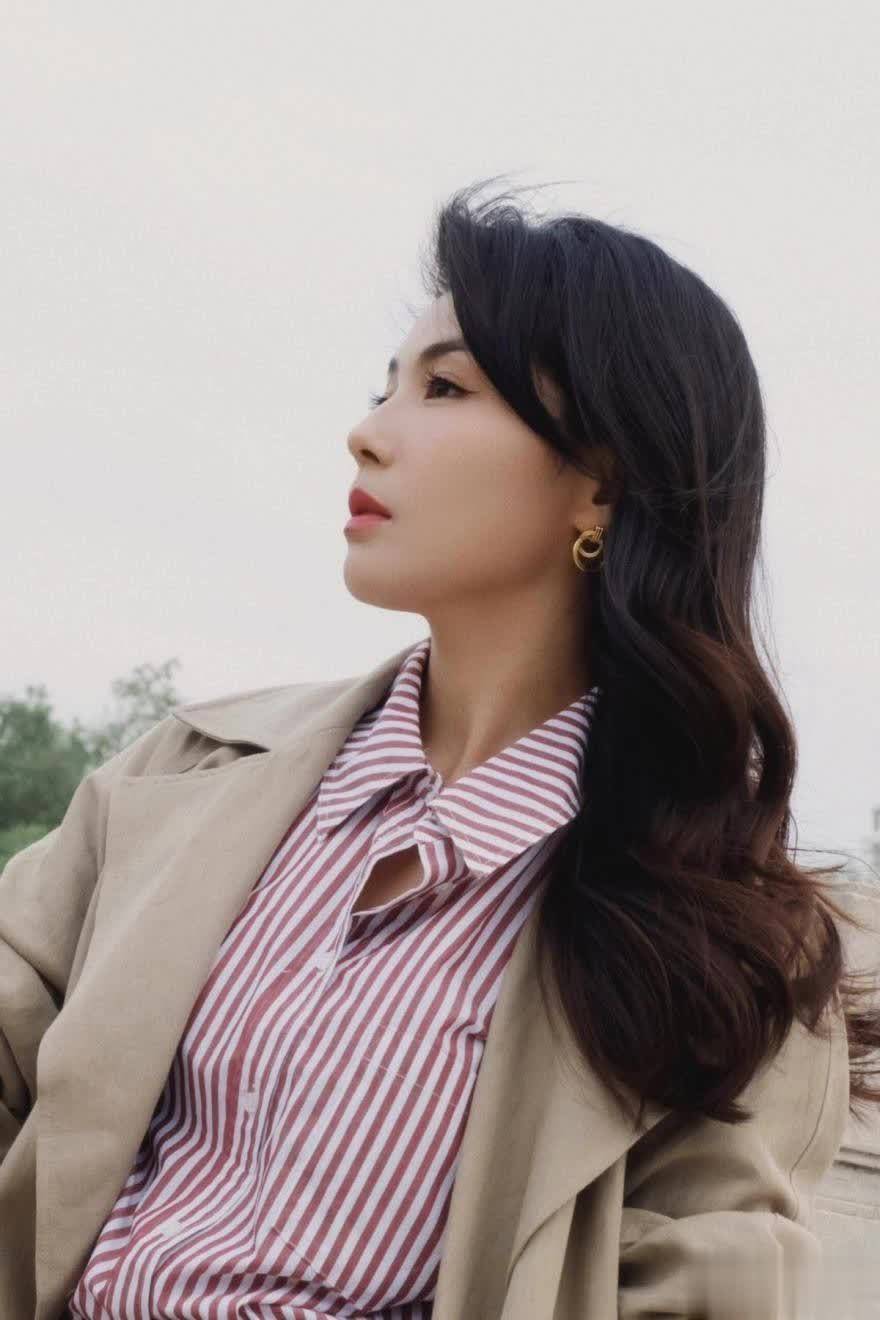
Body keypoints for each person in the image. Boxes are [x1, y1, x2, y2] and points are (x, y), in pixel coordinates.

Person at [1, 177, 877, 1319]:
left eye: (446, 387)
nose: (367, 432)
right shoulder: (187, 773)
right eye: (387, 385)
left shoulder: (729, 943)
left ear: (602, 482)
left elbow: (701, 1285)